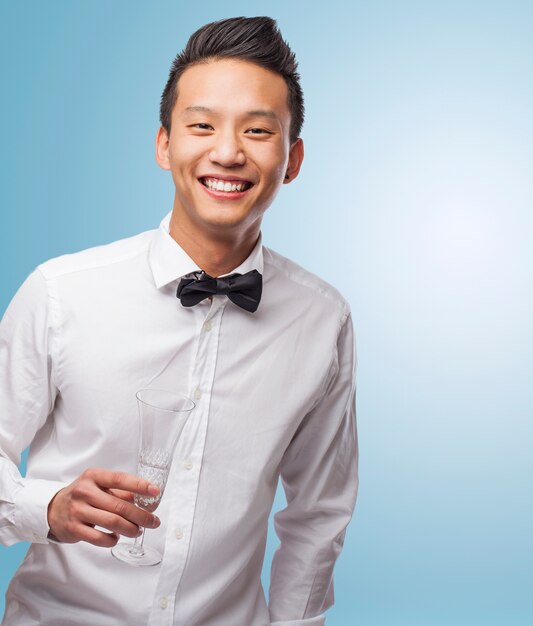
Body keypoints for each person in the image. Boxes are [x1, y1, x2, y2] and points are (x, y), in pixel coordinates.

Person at [0, 16, 358, 626]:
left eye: (257, 130)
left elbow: (317, 515)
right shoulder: (61, 293)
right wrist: (48, 506)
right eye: (201, 125)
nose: (226, 151)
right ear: (164, 144)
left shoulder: (323, 319)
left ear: (291, 158)